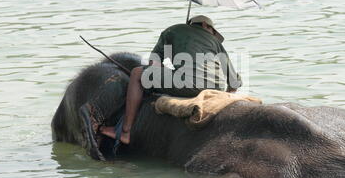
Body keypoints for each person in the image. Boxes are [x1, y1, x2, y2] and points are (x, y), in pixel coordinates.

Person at [99, 15, 242, 145]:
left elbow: (154, 63)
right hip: (215, 88)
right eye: (212, 30)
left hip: (187, 83)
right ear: (206, 25)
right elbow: (234, 83)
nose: (211, 34)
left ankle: (126, 131)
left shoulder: (173, 31)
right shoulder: (216, 43)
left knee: (137, 73)